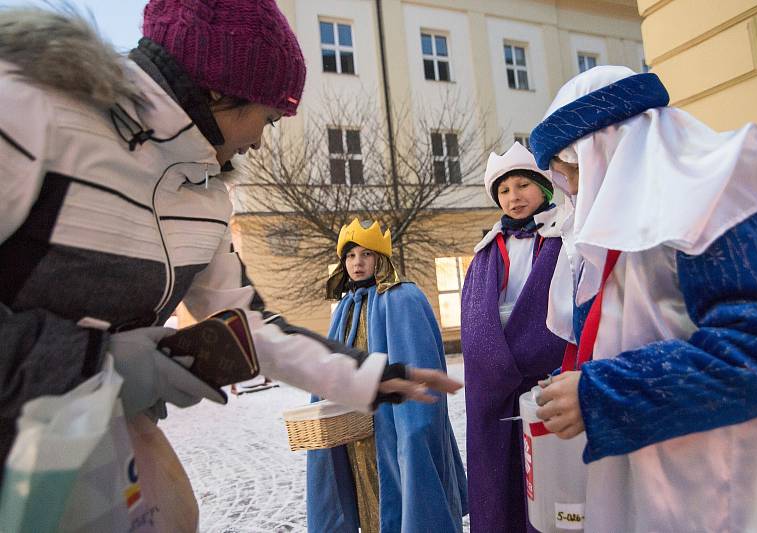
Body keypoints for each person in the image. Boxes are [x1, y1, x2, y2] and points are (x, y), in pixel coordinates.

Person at [0, 1, 461, 475]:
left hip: (75, 462)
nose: (261, 141)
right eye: (270, 117)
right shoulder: (33, 111)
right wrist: (98, 367)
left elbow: (245, 325)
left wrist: (372, 377)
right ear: (221, 88)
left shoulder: (206, 195)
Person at [528, 65, 757, 531]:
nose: (570, 190)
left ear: (606, 150)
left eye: (572, 172)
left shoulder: (707, 202)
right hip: (647, 479)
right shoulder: (634, 221)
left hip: (708, 498)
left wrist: (602, 393)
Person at [307, 218, 468, 533]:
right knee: (365, 499)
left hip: (394, 425)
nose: (357, 263)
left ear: (380, 258)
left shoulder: (402, 297)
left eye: (366, 254)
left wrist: (416, 429)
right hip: (355, 429)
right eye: (350, 256)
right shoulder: (345, 308)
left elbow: (416, 357)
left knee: (407, 495)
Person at [459, 142, 566, 533]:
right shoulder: (486, 252)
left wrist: (535, 354)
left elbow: (566, 308)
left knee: (548, 477)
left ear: (544, 187)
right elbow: (474, 317)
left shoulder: (562, 240)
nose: (514, 196)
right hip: (495, 382)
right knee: (499, 478)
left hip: (545, 375)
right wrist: (492, 363)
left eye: (523, 185)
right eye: (504, 190)